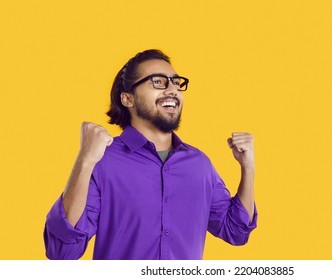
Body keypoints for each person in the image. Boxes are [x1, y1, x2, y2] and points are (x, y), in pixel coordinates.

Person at [43, 49, 258, 260]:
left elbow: (236, 231)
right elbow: (62, 252)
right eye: (159, 82)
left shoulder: (199, 165)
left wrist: (248, 168)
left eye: (176, 82)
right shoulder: (103, 161)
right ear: (128, 99)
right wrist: (85, 160)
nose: (172, 89)